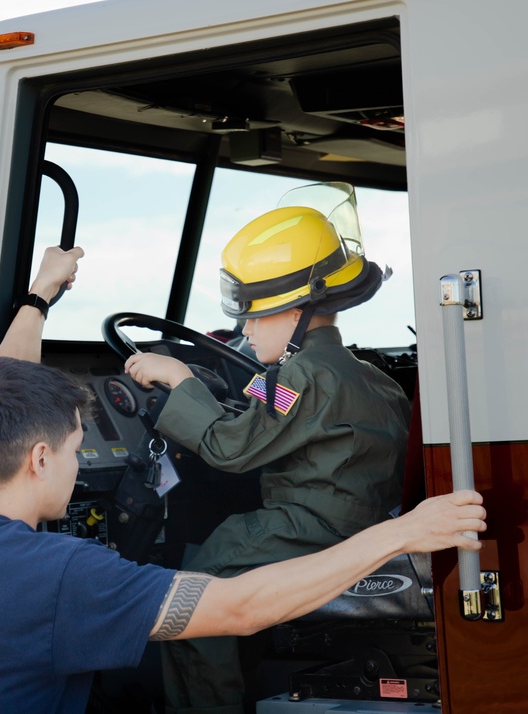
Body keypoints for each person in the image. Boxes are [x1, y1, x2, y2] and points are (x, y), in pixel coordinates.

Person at [0, 244, 485, 714]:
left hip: (317, 519)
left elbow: (3, 387)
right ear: (39, 459)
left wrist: (43, 294)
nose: (81, 461)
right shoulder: (64, 577)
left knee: (204, 565)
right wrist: (404, 530)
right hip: (350, 515)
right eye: (79, 446)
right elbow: (235, 606)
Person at [122, 199, 412, 713]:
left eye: (256, 316)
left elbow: (229, 448)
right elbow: (269, 418)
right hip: (356, 523)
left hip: (306, 525)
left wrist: (182, 380)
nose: (248, 330)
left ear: (297, 312)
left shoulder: (301, 377)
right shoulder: (366, 374)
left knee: (191, 598)